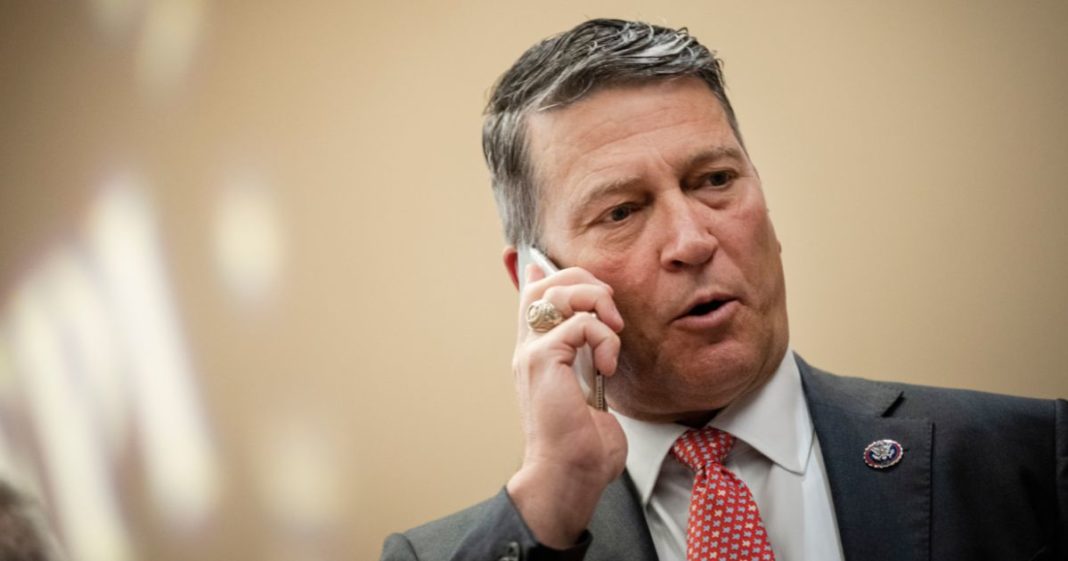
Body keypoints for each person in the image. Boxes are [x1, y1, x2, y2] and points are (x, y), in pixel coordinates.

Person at [381, 18, 1066, 561]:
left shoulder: (1028, 459)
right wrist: (549, 503)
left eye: (714, 181)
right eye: (622, 210)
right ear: (539, 286)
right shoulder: (450, 550)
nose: (692, 241)